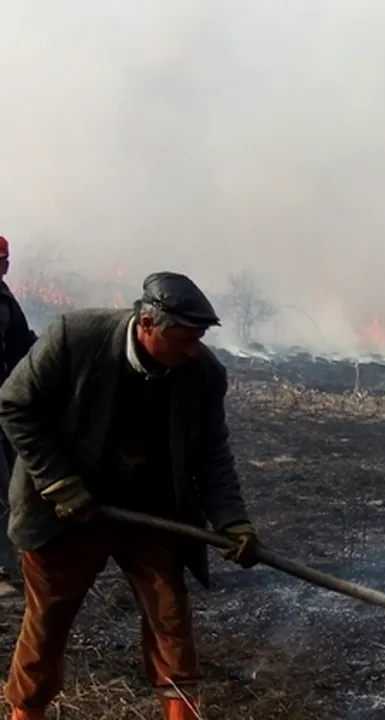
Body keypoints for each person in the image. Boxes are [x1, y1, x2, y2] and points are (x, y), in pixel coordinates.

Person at [0, 271, 261, 720]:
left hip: (150, 514)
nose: (193, 348)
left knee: (171, 623)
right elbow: (15, 404)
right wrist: (60, 481)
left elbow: (211, 452)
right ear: (146, 325)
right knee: (47, 627)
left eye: (198, 337)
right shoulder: (74, 339)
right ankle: (27, 713)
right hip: (66, 513)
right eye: (184, 337)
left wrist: (231, 519)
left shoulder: (202, 374)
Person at [0, 236, 39, 599]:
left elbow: (22, 345)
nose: (3, 267)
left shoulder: (5, 298)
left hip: (3, 404)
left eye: (5, 261)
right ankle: (3, 569)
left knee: (14, 480)